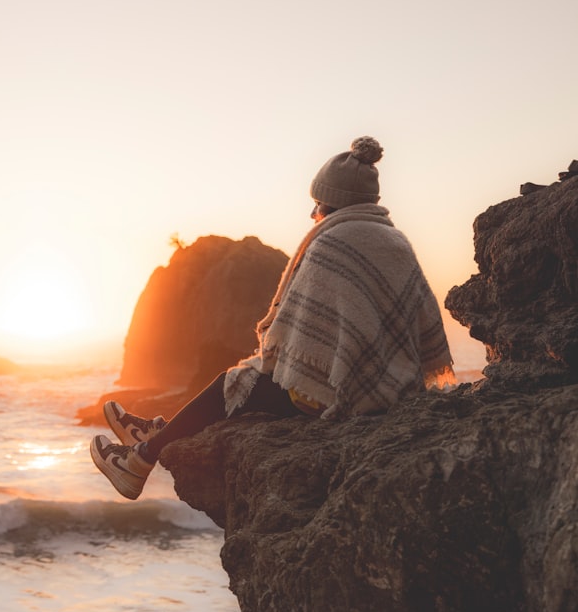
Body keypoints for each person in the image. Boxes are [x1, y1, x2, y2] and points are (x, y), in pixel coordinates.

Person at [91, 136, 455, 500]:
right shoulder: (395, 241)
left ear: (332, 201)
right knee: (242, 382)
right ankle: (159, 434)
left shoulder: (333, 244)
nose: (313, 213)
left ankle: (138, 461)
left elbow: (297, 338)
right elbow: (421, 320)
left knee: (235, 384)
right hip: (391, 386)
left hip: (344, 397)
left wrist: (265, 367)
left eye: (316, 203)